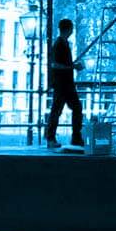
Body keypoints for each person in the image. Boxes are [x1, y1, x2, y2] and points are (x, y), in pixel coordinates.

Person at [45, 18, 84, 148]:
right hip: (63, 83)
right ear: (69, 29)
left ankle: (72, 137)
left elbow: (58, 64)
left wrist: (71, 66)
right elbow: (55, 64)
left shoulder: (62, 43)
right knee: (61, 109)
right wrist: (73, 67)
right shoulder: (60, 45)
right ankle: (69, 137)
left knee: (61, 109)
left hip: (64, 83)